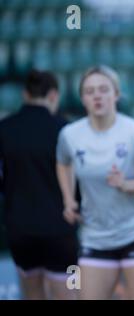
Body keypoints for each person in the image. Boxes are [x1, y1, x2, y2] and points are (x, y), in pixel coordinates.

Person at [56, 65, 134, 299]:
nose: (97, 95)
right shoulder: (70, 135)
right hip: (95, 235)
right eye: (90, 91)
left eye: (104, 89)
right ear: (82, 98)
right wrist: (67, 199)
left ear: (116, 94)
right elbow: (62, 162)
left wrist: (127, 185)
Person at [0, 69, 78, 299]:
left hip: (20, 229)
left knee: (32, 295)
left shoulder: (4, 129)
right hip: (60, 228)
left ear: (25, 94)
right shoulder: (65, 129)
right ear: (54, 95)